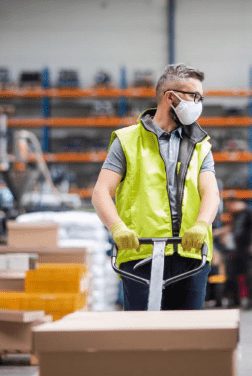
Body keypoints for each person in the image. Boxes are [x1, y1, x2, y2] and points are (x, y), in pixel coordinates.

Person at [92, 64, 220, 311]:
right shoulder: (127, 141)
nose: (198, 103)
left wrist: (202, 224)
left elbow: (211, 193)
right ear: (170, 96)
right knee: (142, 336)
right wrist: (116, 227)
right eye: (194, 96)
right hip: (141, 252)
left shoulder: (201, 145)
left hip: (190, 254)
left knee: (187, 335)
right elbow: (101, 192)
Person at [214, 199, 252, 309]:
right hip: (236, 250)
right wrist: (218, 232)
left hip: (247, 249)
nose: (229, 208)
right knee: (232, 275)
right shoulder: (235, 215)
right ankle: (235, 301)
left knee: (249, 275)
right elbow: (231, 229)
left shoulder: (248, 213)